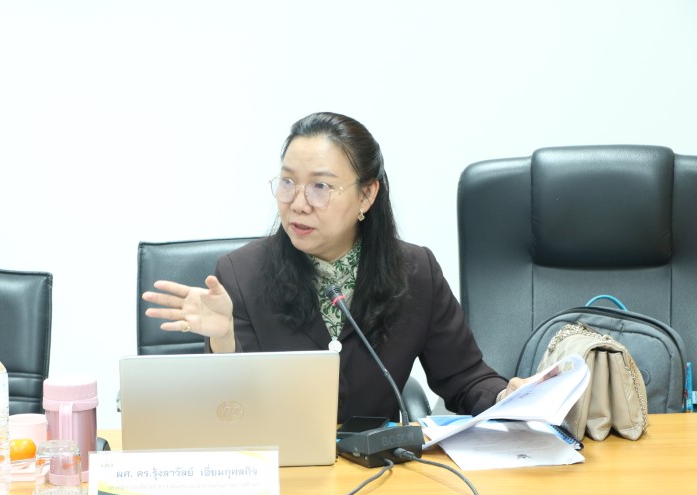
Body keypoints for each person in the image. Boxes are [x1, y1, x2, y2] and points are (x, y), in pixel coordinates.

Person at [142, 111, 529, 423]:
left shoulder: (415, 272)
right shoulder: (240, 274)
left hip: (379, 475)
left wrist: (504, 396)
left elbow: (464, 377)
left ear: (367, 194)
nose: (298, 203)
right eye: (287, 182)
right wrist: (223, 340)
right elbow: (231, 408)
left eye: (320, 187)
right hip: (283, 474)